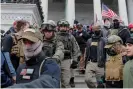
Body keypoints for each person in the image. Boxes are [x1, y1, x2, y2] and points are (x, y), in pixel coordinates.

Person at [57, 20, 81, 88]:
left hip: (66, 60)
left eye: (65, 27)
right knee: (56, 80)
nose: (63, 28)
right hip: (56, 60)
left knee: (65, 80)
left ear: (67, 28)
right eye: (61, 26)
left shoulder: (71, 37)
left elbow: (75, 49)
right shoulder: (55, 36)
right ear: (59, 27)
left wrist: (75, 60)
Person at [85, 23, 106, 88]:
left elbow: (106, 53)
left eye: (98, 29)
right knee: (87, 80)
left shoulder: (104, 40)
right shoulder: (89, 41)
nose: (97, 30)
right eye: (95, 29)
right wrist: (86, 62)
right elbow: (87, 52)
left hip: (100, 64)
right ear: (93, 30)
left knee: (100, 84)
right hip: (90, 63)